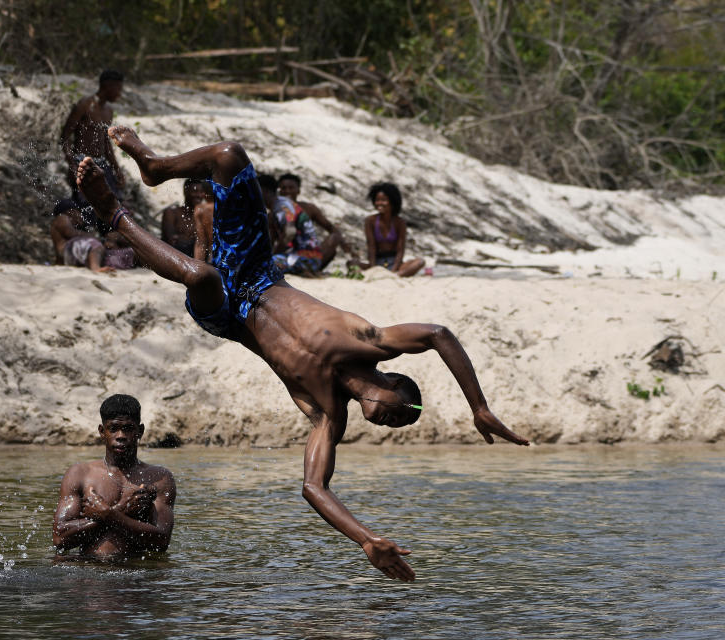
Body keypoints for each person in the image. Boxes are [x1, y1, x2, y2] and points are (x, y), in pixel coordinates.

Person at [74, 128, 530, 582]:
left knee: (204, 277)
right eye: (402, 414)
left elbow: (314, 487)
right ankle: (156, 167)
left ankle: (115, 215)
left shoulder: (327, 414)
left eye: (397, 426)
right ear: (393, 382)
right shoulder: (370, 340)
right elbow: (438, 333)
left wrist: (367, 539)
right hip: (257, 270)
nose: (394, 424)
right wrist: (479, 406)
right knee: (230, 154)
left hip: (227, 315)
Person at [53, 394, 176, 560]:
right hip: (89, 572)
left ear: (140, 431)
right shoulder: (80, 473)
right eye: (113, 428)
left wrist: (109, 514)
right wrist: (120, 511)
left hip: (135, 576)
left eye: (128, 428)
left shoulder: (159, 478)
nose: (121, 435)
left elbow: (161, 542)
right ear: (102, 432)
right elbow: (60, 538)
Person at [260, 174, 349, 275]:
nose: (287, 191)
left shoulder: (283, 206)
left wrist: (273, 255)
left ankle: (307, 270)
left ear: (263, 191)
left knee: (265, 266)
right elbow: (271, 240)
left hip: (305, 256)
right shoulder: (278, 209)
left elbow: (290, 233)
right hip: (302, 255)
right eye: (284, 188)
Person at [60, 69, 126, 197]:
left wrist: (116, 169)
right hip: (82, 162)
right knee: (86, 207)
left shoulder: (108, 111)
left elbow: (106, 143)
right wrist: (72, 165)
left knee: (114, 203)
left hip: (101, 164)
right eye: (118, 88)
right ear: (108, 86)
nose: (119, 94)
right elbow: (65, 137)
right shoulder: (85, 105)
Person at [49, 197, 135, 270]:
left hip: (77, 255)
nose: (81, 216)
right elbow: (70, 233)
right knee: (93, 244)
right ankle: (95, 268)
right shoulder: (62, 218)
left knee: (119, 254)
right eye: (79, 212)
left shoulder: (73, 229)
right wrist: (94, 238)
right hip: (70, 253)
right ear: (72, 212)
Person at [362, 183, 425, 277]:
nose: (379, 203)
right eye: (377, 200)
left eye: (383, 200)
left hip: (394, 261)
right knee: (351, 263)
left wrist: (394, 269)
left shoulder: (399, 223)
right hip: (378, 260)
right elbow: (371, 247)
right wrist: (373, 269)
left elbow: (400, 250)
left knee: (420, 262)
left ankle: (395, 276)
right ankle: (394, 275)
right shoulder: (370, 221)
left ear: (392, 202)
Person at [160, 179, 213, 258]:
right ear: (186, 191)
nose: (198, 195)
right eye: (194, 191)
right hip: (175, 259)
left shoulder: (204, 214)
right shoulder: (172, 213)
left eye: (201, 192)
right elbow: (171, 241)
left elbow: (208, 242)